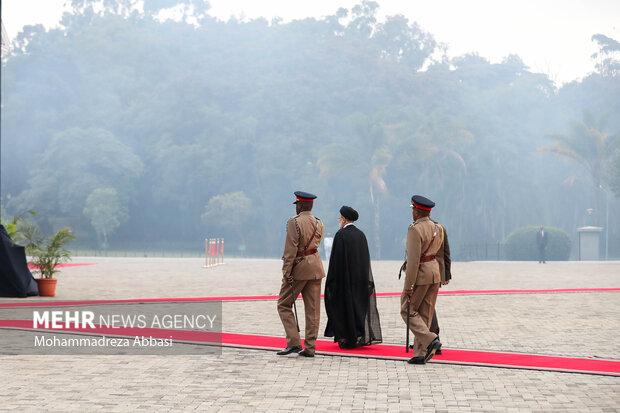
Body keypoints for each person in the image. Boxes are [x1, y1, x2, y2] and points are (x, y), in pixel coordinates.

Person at [324, 206, 382, 349]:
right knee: (357, 309)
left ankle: (347, 339)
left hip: (345, 282)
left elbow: (335, 262)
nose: (339, 221)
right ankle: (357, 336)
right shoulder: (361, 235)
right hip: (360, 281)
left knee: (344, 310)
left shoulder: (341, 235)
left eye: (339, 218)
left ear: (344, 219)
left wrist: (331, 282)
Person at [277, 191, 326, 357]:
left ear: (303, 205)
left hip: (299, 269)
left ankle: (293, 342)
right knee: (313, 311)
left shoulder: (294, 222)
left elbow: (290, 250)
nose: (296, 207)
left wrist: (286, 272)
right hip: (316, 268)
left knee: (283, 304)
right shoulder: (319, 222)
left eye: (297, 204)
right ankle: (310, 348)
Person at [401, 195, 443, 364]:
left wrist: (409, 286)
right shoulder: (437, 227)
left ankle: (430, 339)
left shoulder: (415, 229)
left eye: (413, 210)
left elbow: (413, 262)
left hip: (421, 275)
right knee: (425, 313)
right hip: (434, 273)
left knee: (407, 310)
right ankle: (420, 353)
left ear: (417, 212)